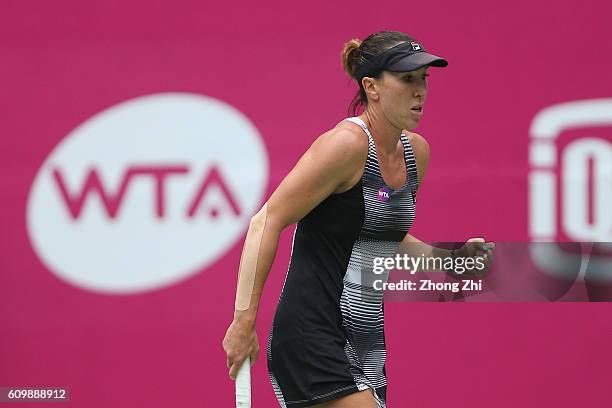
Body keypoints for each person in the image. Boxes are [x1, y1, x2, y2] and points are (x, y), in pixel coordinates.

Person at [223, 30, 495, 407]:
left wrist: (450, 261)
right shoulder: (345, 146)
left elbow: (382, 238)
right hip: (312, 335)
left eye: (424, 80)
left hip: (364, 340)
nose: (420, 91)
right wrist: (243, 321)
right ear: (372, 87)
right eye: (406, 79)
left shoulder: (417, 153)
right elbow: (265, 222)